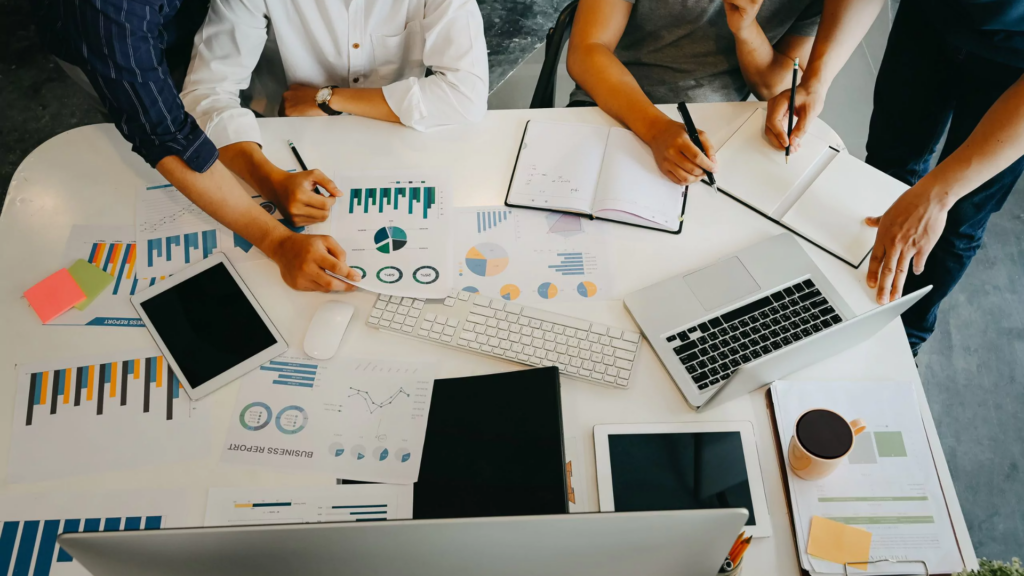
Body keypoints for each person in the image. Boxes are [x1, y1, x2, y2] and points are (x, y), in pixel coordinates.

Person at [33, 0, 362, 294]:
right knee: (140, 121)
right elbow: (166, 136)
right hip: (110, 40)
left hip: (188, 21)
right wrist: (278, 242)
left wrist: (268, 179)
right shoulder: (110, 15)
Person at [763, 0, 1024, 354]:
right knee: (885, 171)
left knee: (959, 217)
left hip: (1015, 59)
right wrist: (817, 79)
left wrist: (940, 194)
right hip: (929, 19)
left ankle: (905, 341)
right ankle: (847, 305)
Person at [180, 0, 489, 228]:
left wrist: (328, 99)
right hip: (285, 139)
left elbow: (465, 95)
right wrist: (269, 181)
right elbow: (205, 94)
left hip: (399, 135)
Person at [566, 0, 826, 186]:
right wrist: (656, 129)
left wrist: (746, 30)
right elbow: (587, 50)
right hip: (609, 103)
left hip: (714, 133)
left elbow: (775, 88)